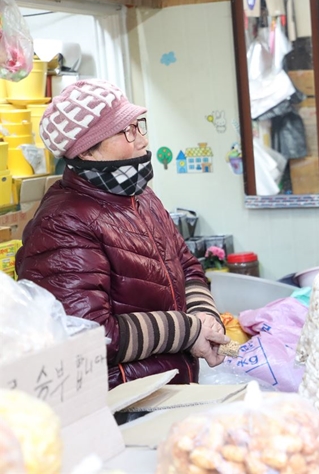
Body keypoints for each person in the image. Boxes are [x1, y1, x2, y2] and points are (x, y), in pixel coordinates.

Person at [16, 79, 230, 389]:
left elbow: (188, 267)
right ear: (88, 151)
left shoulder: (142, 197)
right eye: (127, 130)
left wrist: (204, 317)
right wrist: (188, 330)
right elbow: (88, 333)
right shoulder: (62, 222)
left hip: (169, 389)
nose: (143, 139)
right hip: (123, 401)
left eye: (139, 125)